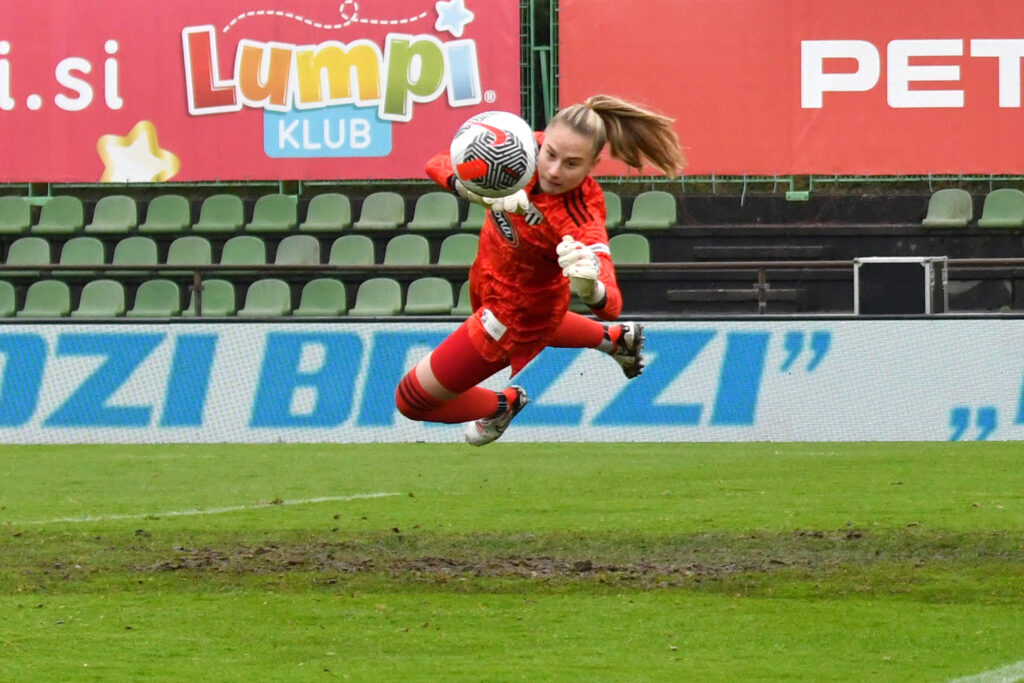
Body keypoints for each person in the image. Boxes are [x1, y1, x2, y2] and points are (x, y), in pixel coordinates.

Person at [395, 94, 684, 445]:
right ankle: (612, 339)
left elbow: (610, 301)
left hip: (513, 318)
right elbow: (439, 162)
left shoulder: (580, 210)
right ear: (544, 138)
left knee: (412, 400)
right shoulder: (522, 149)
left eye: (572, 164)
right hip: (489, 281)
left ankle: (503, 404)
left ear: (592, 165)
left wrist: (590, 286)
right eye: (550, 154)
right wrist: (474, 191)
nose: (553, 170)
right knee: (549, 317)